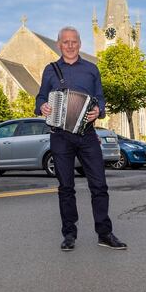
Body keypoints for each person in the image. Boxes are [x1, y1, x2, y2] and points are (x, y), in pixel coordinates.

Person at [35, 26, 127, 251]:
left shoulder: (91, 69)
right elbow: (39, 98)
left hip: (87, 135)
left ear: (80, 44)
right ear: (59, 44)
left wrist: (99, 111)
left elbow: (100, 99)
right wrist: (42, 106)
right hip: (60, 136)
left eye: (73, 41)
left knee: (99, 185)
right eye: (65, 41)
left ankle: (104, 234)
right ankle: (69, 234)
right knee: (65, 187)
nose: (69, 45)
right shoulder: (50, 70)